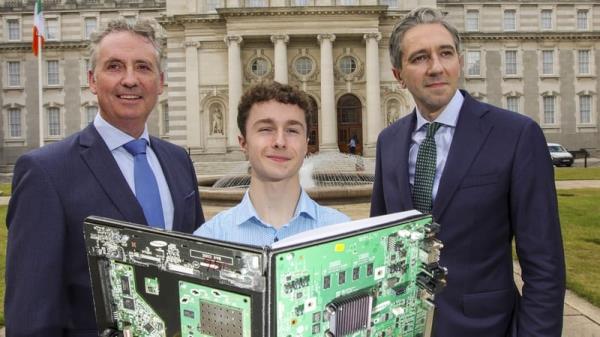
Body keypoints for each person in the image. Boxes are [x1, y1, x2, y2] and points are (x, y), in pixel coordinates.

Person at [370, 7, 565, 337]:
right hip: (403, 327)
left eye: (445, 53)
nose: (436, 67)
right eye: (419, 58)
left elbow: (545, 265)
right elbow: (380, 244)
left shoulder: (516, 135)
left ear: (459, 60)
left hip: (485, 327)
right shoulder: (388, 141)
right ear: (397, 74)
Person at [4, 18, 204, 337]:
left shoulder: (178, 161)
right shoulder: (46, 172)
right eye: (114, 66)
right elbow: (30, 312)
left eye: (143, 67)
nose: (129, 80)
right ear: (92, 81)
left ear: (161, 81)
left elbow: (196, 274)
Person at [195, 82, 349, 245]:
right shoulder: (207, 239)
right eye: (266, 129)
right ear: (243, 143)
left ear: (306, 144)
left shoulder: (345, 233)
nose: (280, 142)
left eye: (292, 130)